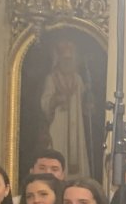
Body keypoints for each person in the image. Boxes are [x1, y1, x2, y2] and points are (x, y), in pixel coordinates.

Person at [40, 40, 95, 177]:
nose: (67, 62)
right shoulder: (52, 78)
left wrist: (88, 103)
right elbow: (45, 102)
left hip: (76, 127)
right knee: (58, 149)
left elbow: (84, 104)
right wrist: (55, 100)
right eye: (65, 59)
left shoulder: (78, 79)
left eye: (70, 59)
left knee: (78, 155)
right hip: (58, 124)